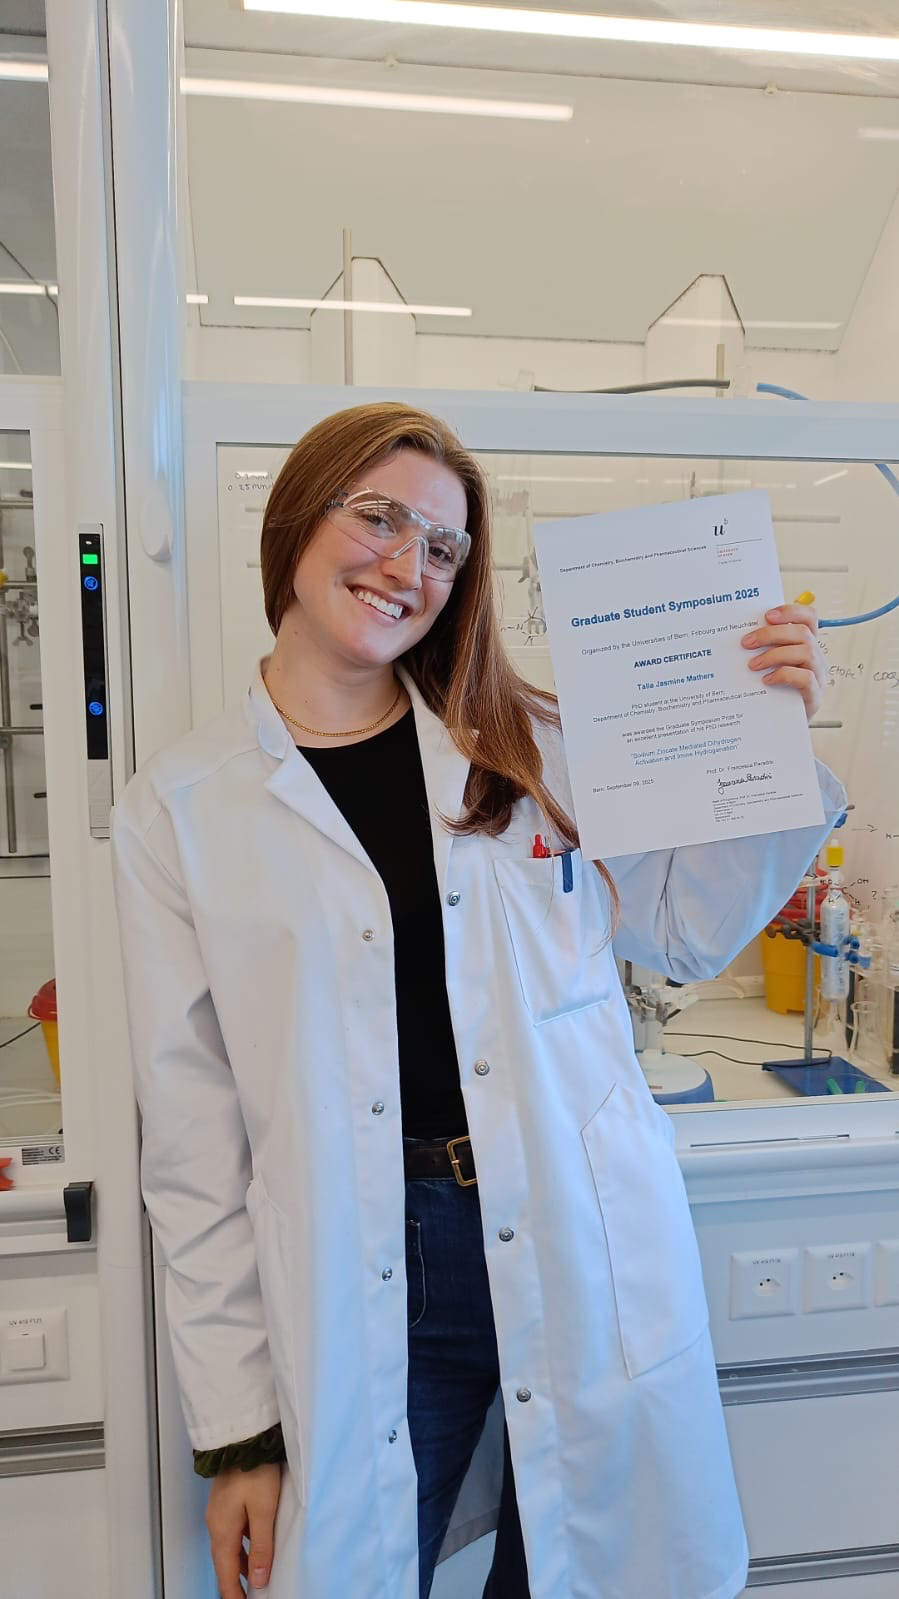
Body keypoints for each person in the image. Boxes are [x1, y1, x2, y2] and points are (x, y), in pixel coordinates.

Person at [112, 401, 844, 1599]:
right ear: (295, 521)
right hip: (367, 1252)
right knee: (361, 1567)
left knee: (575, 1563)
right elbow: (192, 1147)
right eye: (379, 519)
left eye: (443, 547)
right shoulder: (179, 810)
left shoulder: (532, 747)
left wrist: (761, 737)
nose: (407, 565)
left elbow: (682, 930)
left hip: (566, 1224)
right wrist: (239, 1436)